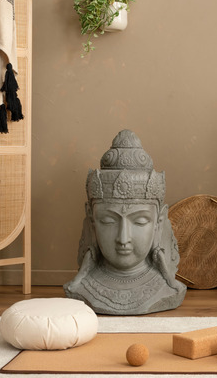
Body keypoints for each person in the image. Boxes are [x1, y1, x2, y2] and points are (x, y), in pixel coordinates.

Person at [64, 130, 186, 315]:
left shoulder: (167, 287)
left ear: (159, 222)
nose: (123, 238)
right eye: (108, 220)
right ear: (92, 220)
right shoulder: (80, 287)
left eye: (140, 221)